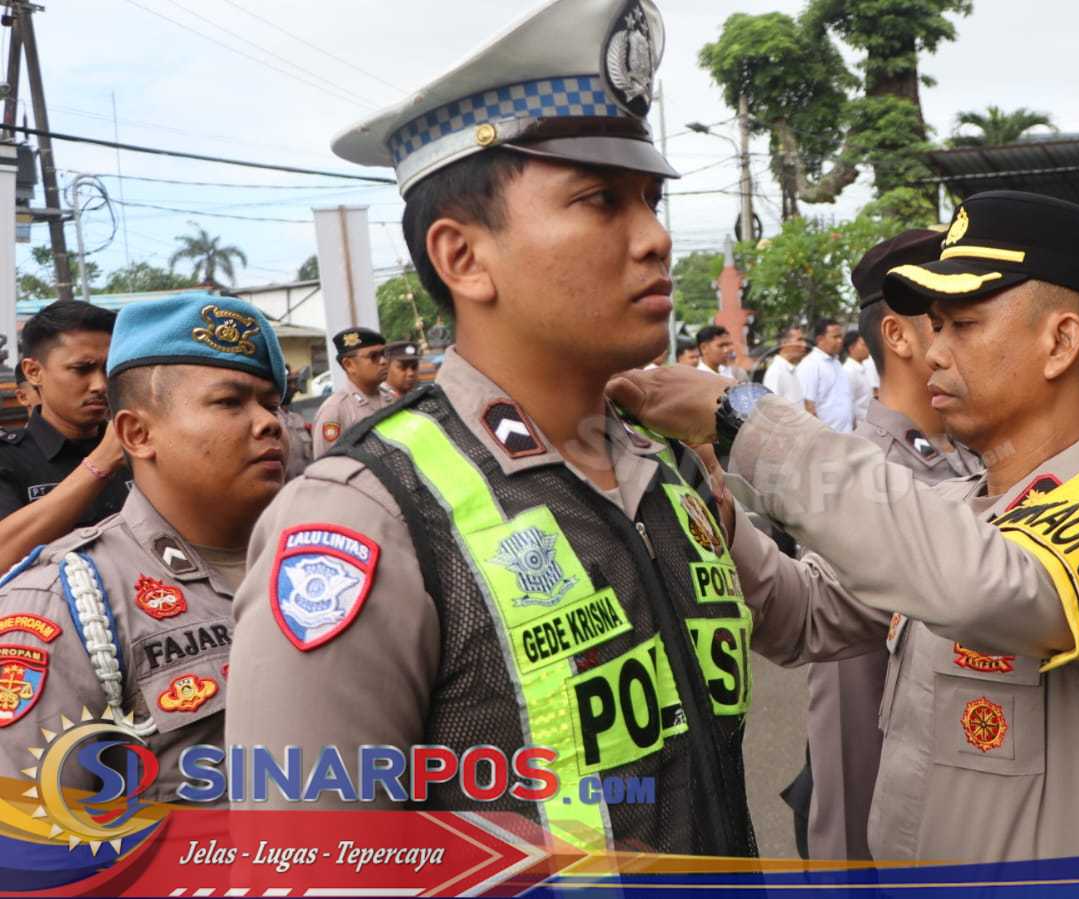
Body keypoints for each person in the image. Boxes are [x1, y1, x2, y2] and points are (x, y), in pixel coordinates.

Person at [227, 0, 760, 858]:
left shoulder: (663, 464)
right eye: (600, 200)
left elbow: (834, 616)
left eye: (652, 200)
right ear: (463, 257)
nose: (657, 238)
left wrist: (751, 423)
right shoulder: (368, 514)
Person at [608, 190, 1079, 862]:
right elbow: (801, 612)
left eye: (963, 325)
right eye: (934, 327)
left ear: (1059, 342)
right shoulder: (958, 506)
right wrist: (713, 506)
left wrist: (745, 416)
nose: (933, 354)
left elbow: (983, 588)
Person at [0, 292, 288, 800]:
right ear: (136, 433)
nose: (269, 423)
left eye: (271, 403)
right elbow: (33, 831)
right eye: (229, 402)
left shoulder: (318, 563)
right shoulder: (60, 601)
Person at [794, 229, 983, 860]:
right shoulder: (860, 484)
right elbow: (848, 723)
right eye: (948, 321)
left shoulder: (970, 456)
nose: (969, 338)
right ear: (899, 336)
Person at [0, 301, 131, 571]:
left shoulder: (138, 447)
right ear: (34, 372)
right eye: (81, 369)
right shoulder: (8, 457)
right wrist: (100, 464)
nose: (100, 385)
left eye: (108, 369)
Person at [311, 326, 388, 456]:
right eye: (374, 356)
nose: (383, 361)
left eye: (384, 354)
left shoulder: (391, 399)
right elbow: (327, 464)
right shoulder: (335, 411)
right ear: (349, 365)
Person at [795, 318, 853, 431]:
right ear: (820, 339)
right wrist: (822, 435)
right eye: (835, 337)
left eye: (841, 336)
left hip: (846, 434)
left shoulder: (836, 363)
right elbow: (807, 406)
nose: (840, 341)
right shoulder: (810, 364)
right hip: (826, 437)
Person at [278, 365, 314, 481]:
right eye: (289, 383)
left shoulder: (297, 419)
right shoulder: (272, 420)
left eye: (294, 383)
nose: (294, 387)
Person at [760, 324, 808, 405]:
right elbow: (771, 409)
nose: (804, 345)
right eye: (799, 340)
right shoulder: (776, 372)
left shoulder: (791, 369)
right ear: (784, 343)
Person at [840, 329, 877, 425]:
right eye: (864, 344)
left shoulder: (862, 368)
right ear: (852, 348)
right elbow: (848, 403)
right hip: (859, 425)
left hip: (868, 422)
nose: (868, 347)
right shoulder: (848, 371)